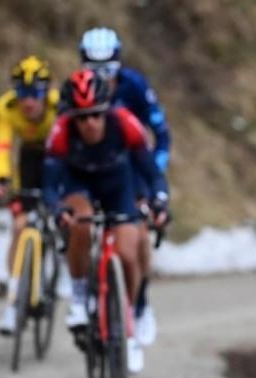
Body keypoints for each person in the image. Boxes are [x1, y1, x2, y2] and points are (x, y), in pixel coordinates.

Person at [44, 70, 170, 374]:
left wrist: (160, 200)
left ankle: (127, 323)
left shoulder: (125, 123)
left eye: (97, 115)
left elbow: (152, 172)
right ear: (71, 116)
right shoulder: (61, 131)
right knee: (82, 223)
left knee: (129, 253)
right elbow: (49, 183)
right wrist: (58, 208)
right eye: (82, 117)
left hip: (118, 185)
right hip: (79, 185)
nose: (90, 123)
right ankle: (78, 297)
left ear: (106, 110)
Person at [80, 27, 172, 348]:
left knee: (138, 236)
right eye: (94, 69)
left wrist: (153, 177)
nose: (102, 76)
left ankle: (140, 305)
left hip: (133, 166)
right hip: (91, 166)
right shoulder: (78, 91)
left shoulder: (134, 85)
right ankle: (86, 288)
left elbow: (161, 134)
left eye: (108, 69)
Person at [0, 55, 61, 335]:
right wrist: (1, 179)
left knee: (61, 220)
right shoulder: (7, 108)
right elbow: (3, 148)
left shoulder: (60, 107)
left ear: (45, 94)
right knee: (20, 227)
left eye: (34, 94)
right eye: (22, 93)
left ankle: (54, 270)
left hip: (57, 159)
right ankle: (14, 300)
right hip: (28, 161)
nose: (28, 102)